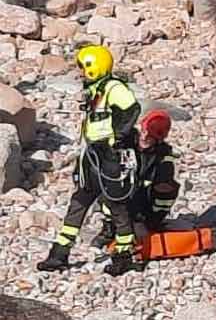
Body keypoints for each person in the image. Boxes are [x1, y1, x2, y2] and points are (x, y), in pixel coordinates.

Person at [37, 44, 142, 276]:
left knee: (116, 203)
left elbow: (132, 109)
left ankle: (124, 254)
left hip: (109, 155)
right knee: (80, 200)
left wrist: (117, 138)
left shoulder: (114, 88)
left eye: (84, 68)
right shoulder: (96, 90)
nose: (81, 73)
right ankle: (59, 254)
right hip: (93, 153)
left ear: (95, 68)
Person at [91, 109, 180, 248]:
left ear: (159, 139)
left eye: (150, 137)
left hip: (142, 206)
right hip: (119, 199)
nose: (144, 138)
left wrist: (152, 219)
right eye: (144, 132)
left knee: (167, 188)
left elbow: (164, 189)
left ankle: (152, 223)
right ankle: (110, 226)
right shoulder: (124, 142)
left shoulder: (163, 157)